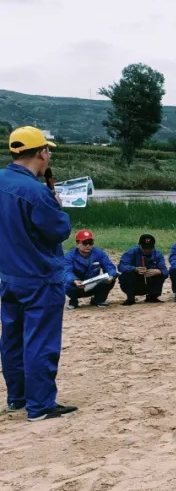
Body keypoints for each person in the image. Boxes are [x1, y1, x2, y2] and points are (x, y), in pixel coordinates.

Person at [0, 126, 77, 421]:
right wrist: (57, 207)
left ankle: (17, 398)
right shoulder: (36, 192)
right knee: (40, 341)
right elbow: (58, 231)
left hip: (9, 276)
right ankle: (41, 405)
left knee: (12, 339)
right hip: (40, 277)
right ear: (42, 153)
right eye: (48, 152)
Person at [64, 229, 117, 309]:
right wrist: (75, 280)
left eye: (90, 243)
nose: (88, 245)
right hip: (77, 286)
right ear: (77, 244)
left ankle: (99, 299)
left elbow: (109, 266)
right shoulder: (69, 256)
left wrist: (111, 275)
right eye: (85, 243)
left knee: (112, 279)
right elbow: (66, 272)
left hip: (93, 284)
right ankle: (73, 301)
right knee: (67, 283)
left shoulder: (99, 253)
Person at [118, 234, 167, 305]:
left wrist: (159, 271)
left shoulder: (158, 254)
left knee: (161, 275)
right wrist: (135, 269)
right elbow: (121, 266)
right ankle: (130, 298)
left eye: (150, 248)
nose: (147, 250)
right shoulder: (131, 252)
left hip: (150, 282)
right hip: (134, 282)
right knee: (126, 275)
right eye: (144, 248)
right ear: (139, 245)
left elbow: (165, 271)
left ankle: (152, 297)